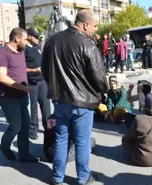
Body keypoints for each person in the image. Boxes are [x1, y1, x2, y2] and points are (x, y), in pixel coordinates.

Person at [42, 10, 108, 185]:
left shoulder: (52, 41)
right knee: (82, 142)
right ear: (86, 24)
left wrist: (55, 88)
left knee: (61, 139)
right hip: (82, 102)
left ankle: (57, 177)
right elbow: (99, 77)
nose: (94, 30)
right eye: (94, 26)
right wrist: (104, 90)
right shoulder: (88, 45)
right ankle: (83, 177)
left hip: (60, 100)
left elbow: (45, 70)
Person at [0, 28, 39, 162]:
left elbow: (18, 68)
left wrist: (34, 71)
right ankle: (4, 146)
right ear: (17, 39)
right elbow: (2, 77)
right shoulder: (2, 53)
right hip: (9, 97)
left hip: (22, 96)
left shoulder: (21, 52)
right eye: (25, 39)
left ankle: (24, 154)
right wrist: (24, 88)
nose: (26, 42)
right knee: (15, 126)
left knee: (25, 127)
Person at [25, 28, 51, 140]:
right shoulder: (24, 49)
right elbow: (21, 68)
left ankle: (49, 128)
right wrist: (34, 70)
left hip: (42, 81)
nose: (37, 38)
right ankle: (33, 131)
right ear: (29, 36)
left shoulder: (37, 47)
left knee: (46, 107)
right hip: (31, 82)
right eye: (35, 36)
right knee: (33, 108)